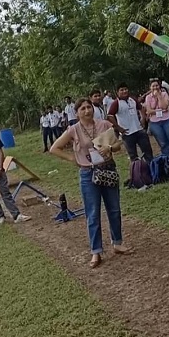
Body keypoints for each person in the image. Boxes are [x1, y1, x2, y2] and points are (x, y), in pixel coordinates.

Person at [49, 98, 133, 268]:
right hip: (88, 174)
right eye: (83, 109)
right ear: (77, 112)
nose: (87, 111)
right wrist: (74, 159)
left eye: (89, 107)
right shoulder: (73, 129)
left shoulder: (104, 125)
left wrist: (110, 148)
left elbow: (118, 145)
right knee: (92, 213)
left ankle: (117, 243)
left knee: (114, 209)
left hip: (108, 169)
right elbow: (54, 148)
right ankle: (96, 251)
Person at [108, 83, 153, 162]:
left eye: (125, 89)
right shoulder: (116, 103)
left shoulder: (132, 99)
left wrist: (143, 118)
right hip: (127, 133)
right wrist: (118, 128)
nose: (124, 91)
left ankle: (152, 170)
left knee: (148, 152)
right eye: (121, 90)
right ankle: (137, 172)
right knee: (133, 156)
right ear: (117, 92)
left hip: (139, 130)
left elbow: (141, 108)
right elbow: (110, 116)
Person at [145, 77, 169, 163]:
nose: (155, 88)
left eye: (157, 85)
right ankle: (168, 161)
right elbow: (149, 111)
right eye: (153, 86)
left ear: (160, 86)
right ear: (150, 88)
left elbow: (165, 106)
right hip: (155, 123)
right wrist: (159, 111)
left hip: (167, 120)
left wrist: (159, 96)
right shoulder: (148, 97)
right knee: (163, 143)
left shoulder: (164, 94)